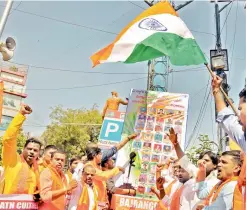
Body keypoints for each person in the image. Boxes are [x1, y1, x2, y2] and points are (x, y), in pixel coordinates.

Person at [1, 104, 42, 194]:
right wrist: (21, 114)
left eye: (35, 150)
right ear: (23, 149)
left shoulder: (37, 170)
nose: (32, 152)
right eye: (29, 149)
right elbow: (8, 139)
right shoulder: (13, 160)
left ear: (39, 153)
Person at [169, 128, 219, 199]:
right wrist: (175, 144)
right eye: (202, 160)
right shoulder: (196, 172)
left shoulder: (216, 181)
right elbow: (185, 161)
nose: (203, 162)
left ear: (215, 165)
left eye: (207, 161)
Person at [212, 75, 245, 150]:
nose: (238, 117)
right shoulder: (244, 138)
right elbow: (225, 116)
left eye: (240, 109)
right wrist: (216, 88)